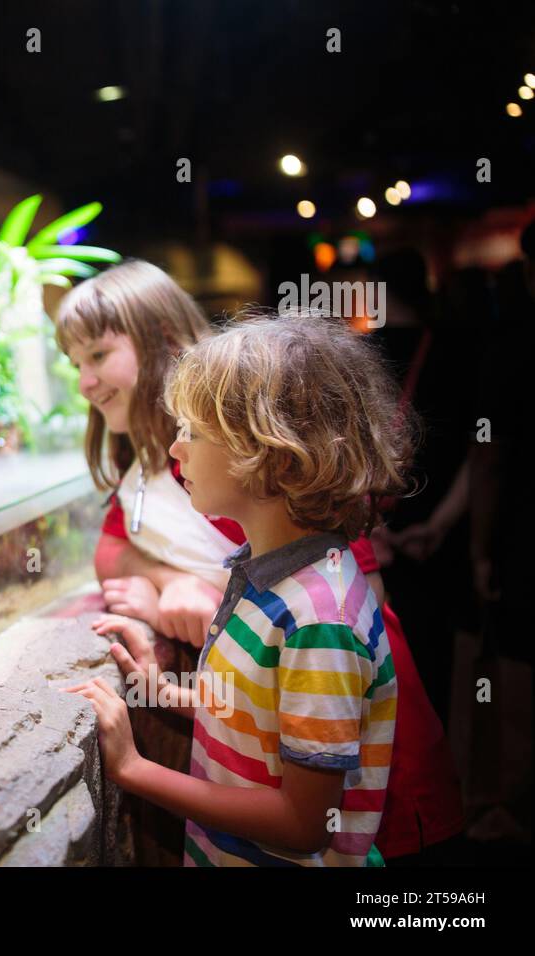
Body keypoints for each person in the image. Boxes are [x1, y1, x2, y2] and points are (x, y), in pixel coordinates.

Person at [57, 267, 462, 861]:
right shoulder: (186, 469)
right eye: (74, 364)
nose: (85, 380)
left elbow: (352, 609)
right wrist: (170, 636)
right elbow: (112, 553)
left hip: (358, 768)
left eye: (98, 353)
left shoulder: (248, 482)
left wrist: (134, 767)